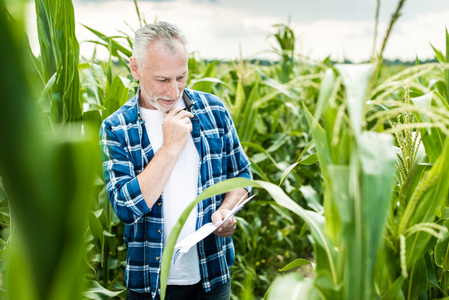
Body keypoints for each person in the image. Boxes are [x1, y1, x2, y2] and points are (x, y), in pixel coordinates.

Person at [99, 21, 252, 300]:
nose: (173, 91)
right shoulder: (117, 128)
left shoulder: (214, 111)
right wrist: (170, 147)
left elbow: (242, 177)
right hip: (150, 283)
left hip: (212, 275)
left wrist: (228, 211)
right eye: (162, 80)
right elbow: (125, 207)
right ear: (135, 68)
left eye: (181, 77)